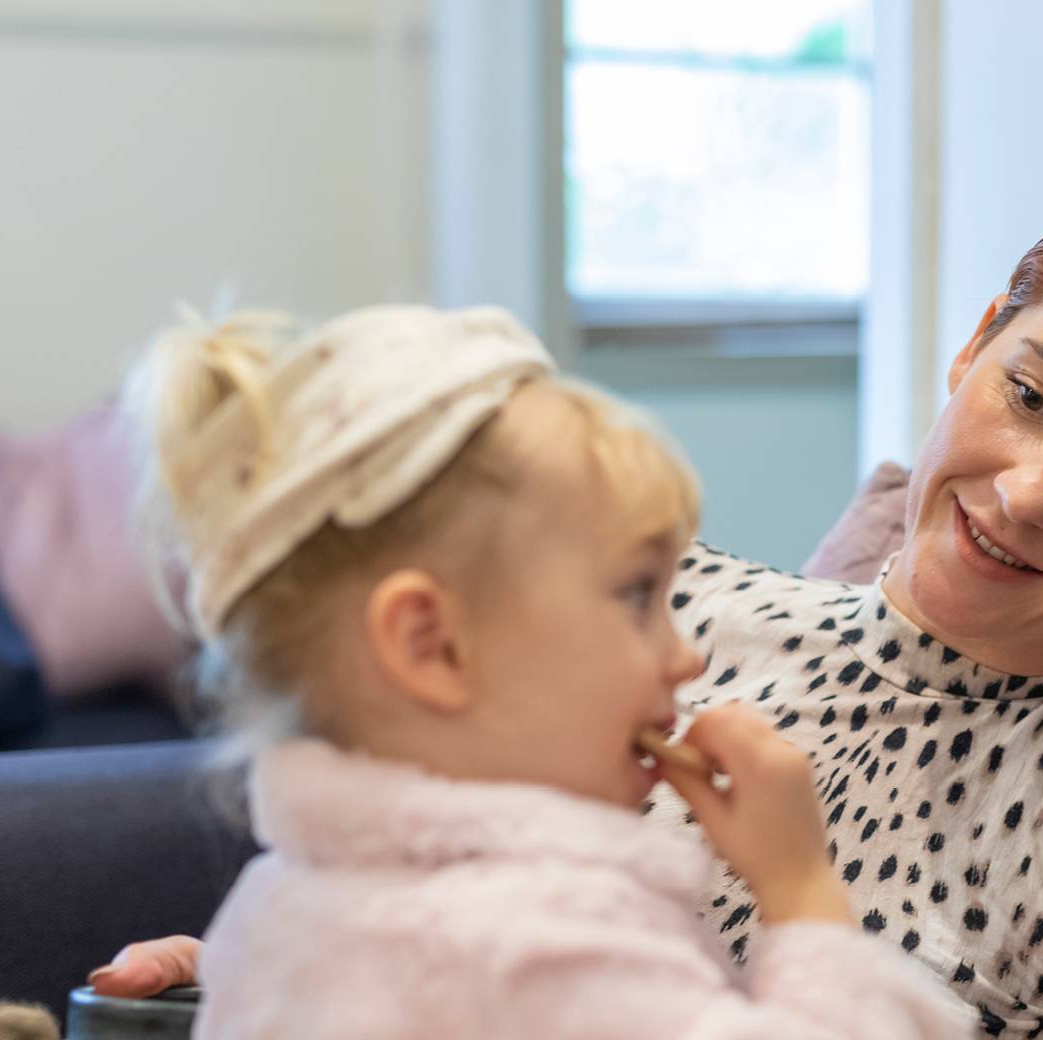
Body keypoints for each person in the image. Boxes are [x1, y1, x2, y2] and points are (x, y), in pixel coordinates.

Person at [95, 188, 1043, 1040]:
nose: (1029, 492)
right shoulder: (658, 607)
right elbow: (436, 899)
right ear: (974, 346)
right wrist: (265, 985)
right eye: (1030, 394)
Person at [126, 305, 969, 1039]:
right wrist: (800, 889)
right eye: (636, 595)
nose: (685, 655)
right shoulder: (549, 941)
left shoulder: (268, 916)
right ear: (432, 646)